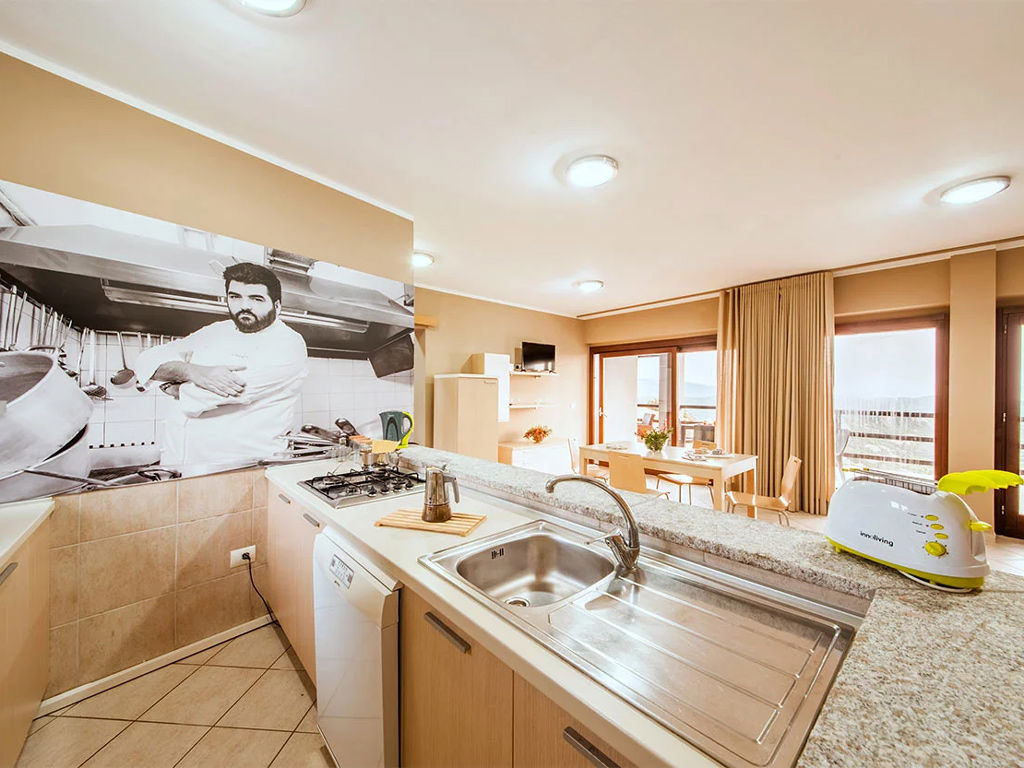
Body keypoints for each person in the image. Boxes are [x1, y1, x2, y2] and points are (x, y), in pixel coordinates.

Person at [135, 262, 308, 476]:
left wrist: (177, 387)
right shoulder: (215, 331)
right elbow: (146, 360)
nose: (244, 306)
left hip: (239, 469)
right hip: (177, 463)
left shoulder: (288, 343)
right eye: (235, 296)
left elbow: (229, 391)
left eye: (256, 298)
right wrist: (192, 371)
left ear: (277, 305)